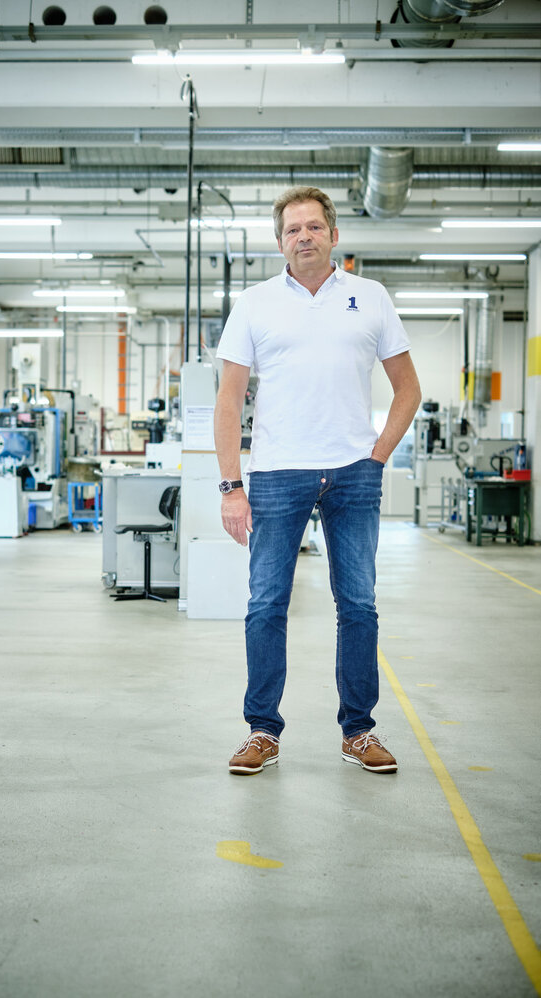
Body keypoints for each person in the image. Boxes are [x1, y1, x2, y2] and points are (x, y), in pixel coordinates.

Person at [214, 186, 422, 776]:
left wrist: (377, 457)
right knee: (265, 605)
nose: (302, 236)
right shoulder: (254, 304)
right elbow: (229, 401)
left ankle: (358, 731)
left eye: (313, 226)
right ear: (279, 241)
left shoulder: (370, 297)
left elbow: (408, 389)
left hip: (354, 472)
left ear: (334, 235)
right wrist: (232, 486)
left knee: (358, 604)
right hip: (277, 473)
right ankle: (262, 731)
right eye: (291, 230)